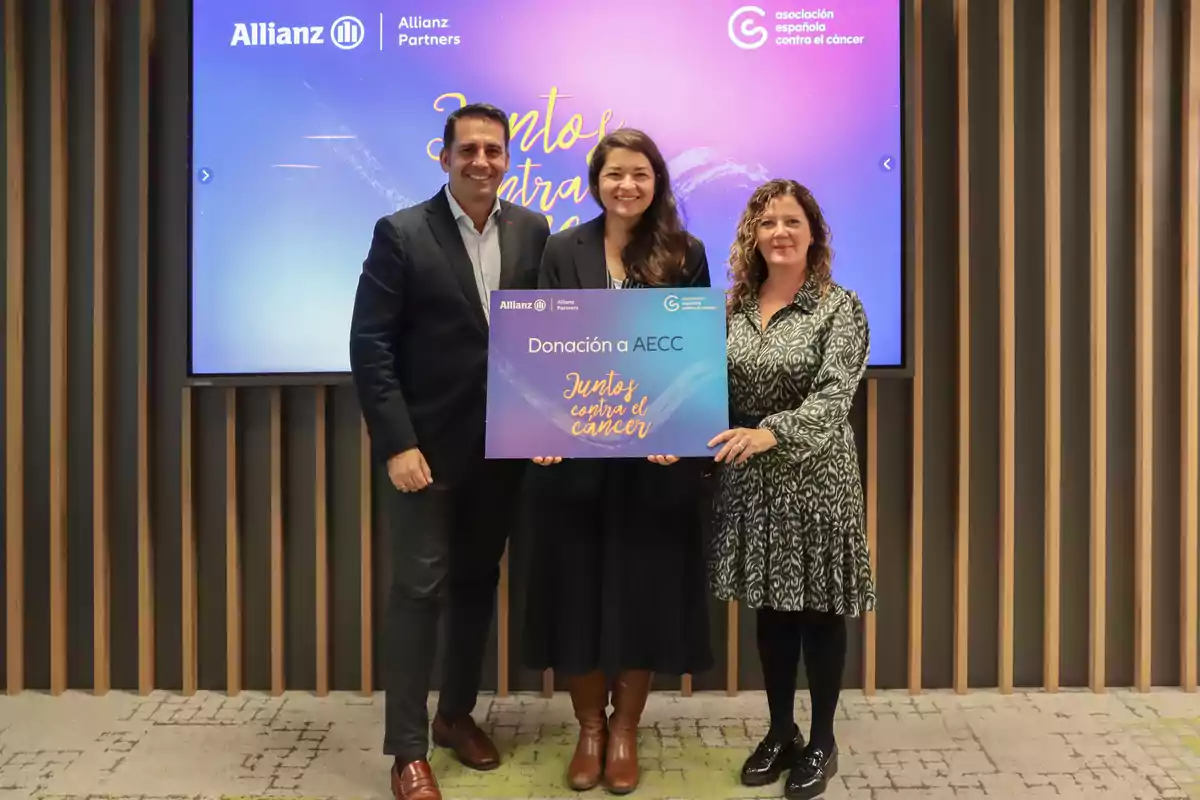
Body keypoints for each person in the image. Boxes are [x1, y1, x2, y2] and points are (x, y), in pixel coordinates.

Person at [349, 102, 550, 800]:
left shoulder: (532, 230)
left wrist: (552, 427)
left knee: (474, 587)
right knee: (418, 590)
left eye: (494, 151)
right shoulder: (402, 233)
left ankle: (455, 715)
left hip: (504, 451)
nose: (482, 162)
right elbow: (369, 347)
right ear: (444, 157)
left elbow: (551, 337)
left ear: (508, 158)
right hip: (425, 456)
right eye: (468, 150)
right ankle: (406, 750)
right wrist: (396, 444)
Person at [520, 128, 714, 795]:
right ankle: (589, 729)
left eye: (639, 174)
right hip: (573, 462)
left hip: (651, 465)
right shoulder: (560, 247)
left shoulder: (685, 252)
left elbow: (693, 354)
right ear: (595, 181)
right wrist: (538, 424)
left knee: (642, 594)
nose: (626, 186)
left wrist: (679, 426)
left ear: (656, 181)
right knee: (574, 592)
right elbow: (542, 344)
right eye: (613, 175)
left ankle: (625, 729)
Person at [706, 180, 873, 800]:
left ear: (813, 234)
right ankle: (781, 731)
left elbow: (834, 398)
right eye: (767, 221)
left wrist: (769, 432)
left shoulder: (840, 306)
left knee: (820, 611)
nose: (779, 232)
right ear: (752, 234)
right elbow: (704, 388)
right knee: (772, 611)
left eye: (791, 222)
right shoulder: (732, 308)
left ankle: (822, 740)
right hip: (751, 485)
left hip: (817, 482)